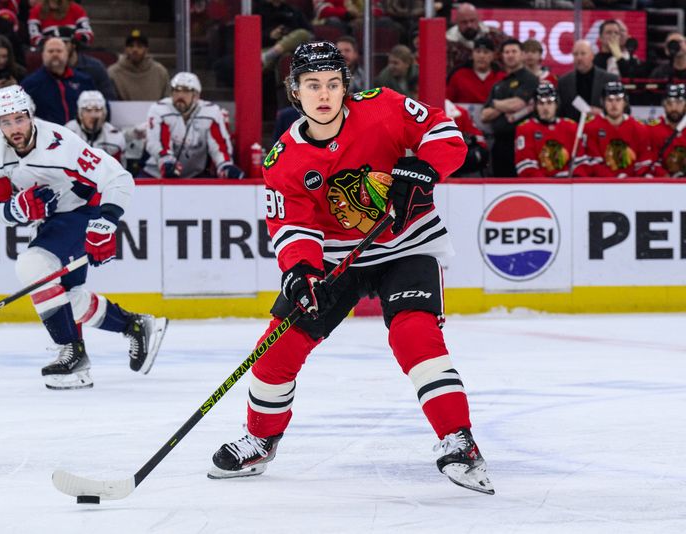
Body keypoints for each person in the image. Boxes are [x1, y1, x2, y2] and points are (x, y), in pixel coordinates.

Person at [207, 42, 493, 496]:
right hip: (338, 261)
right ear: (295, 93)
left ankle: (459, 441)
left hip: (407, 244)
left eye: (333, 85)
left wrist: (422, 168)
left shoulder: (382, 107)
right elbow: (293, 224)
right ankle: (261, 438)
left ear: (346, 88)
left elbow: (446, 134)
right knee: (274, 352)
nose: (324, 95)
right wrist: (300, 270)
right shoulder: (284, 159)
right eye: (313, 85)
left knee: (414, 335)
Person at [0, 85, 168, 389]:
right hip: (52, 221)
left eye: (18, 119)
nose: (14, 128)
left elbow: (119, 178)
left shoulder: (61, 143)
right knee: (67, 297)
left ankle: (72, 352)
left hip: (85, 211)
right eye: (5, 121)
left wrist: (105, 223)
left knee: (31, 266)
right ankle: (134, 326)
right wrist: (18, 208)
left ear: (30, 115)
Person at [143, 72, 243, 179]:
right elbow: (157, 142)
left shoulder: (211, 112)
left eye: (186, 91)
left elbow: (219, 144)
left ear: (196, 96)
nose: (180, 95)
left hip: (195, 175)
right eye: (176, 90)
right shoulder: (159, 109)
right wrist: (166, 161)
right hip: (156, 173)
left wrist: (224, 165)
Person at [481, 39, 538, 177]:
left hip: (523, 143)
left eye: (514, 51)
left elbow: (517, 104)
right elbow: (484, 115)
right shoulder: (499, 84)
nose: (510, 55)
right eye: (507, 52)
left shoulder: (530, 79)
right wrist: (505, 107)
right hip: (500, 144)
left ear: (522, 55)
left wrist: (495, 104)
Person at [573, 81, 653, 178]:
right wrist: (613, 179)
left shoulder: (639, 128)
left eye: (618, 100)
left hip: (632, 186)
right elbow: (593, 162)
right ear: (603, 102)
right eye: (609, 100)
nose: (614, 104)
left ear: (625, 102)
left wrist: (632, 181)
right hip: (602, 186)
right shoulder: (590, 127)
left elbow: (644, 161)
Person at [21, 36, 96, 124]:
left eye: (59, 51)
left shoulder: (84, 80)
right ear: (43, 55)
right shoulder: (30, 84)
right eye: (50, 51)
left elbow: (100, 105)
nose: (55, 54)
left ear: (67, 54)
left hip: (78, 134)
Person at [514, 83, 577, 178]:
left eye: (549, 103)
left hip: (567, 185)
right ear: (535, 106)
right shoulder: (525, 128)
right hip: (539, 187)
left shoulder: (570, 126)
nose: (545, 108)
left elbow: (581, 163)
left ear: (556, 104)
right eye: (541, 103)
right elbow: (525, 166)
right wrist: (546, 184)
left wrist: (575, 179)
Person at [558, 40, 619, 121]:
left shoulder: (610, 80)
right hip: (572, 129)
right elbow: (558, 112)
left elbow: (624, 110)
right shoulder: (563, 81)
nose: (579, 58)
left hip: (601, 128)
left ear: (592, 56)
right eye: (575, 54)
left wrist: (603, 113)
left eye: (583, 53)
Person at [65, 90, 125, 166]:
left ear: (104, 113)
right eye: (88, 110)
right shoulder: (67, 133)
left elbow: (118, 170)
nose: (93, 115)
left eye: (97, 110)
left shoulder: (115, 137)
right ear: (80, 114)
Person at [108, 29, 170, 102]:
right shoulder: (113, 73)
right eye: (131, 46)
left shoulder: (160, 72)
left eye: (139, 46)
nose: (135, 49)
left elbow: (167, 100)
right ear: (125, 49)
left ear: (146, 50)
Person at [446, 37, 505, 104]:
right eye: (478, 51)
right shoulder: (458, 76)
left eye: (486, 52)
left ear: (493, 56)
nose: (481, 56)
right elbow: (447, 103)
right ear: (472, 54)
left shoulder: (502, 78)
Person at [648, 83, 686, 177]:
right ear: (663, 105)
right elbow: (649, 161)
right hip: (662, 185)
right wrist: (664, 177)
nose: (674, 108)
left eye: (678, 103)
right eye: (669, 103)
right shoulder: (652, 128)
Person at [28, 0, 93, 48]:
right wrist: (53, 42)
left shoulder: (76, 9)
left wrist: (70, 39)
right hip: (49, 50)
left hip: (73, 49)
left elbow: (87, 35)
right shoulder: (36, 11)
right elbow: (34, 38)